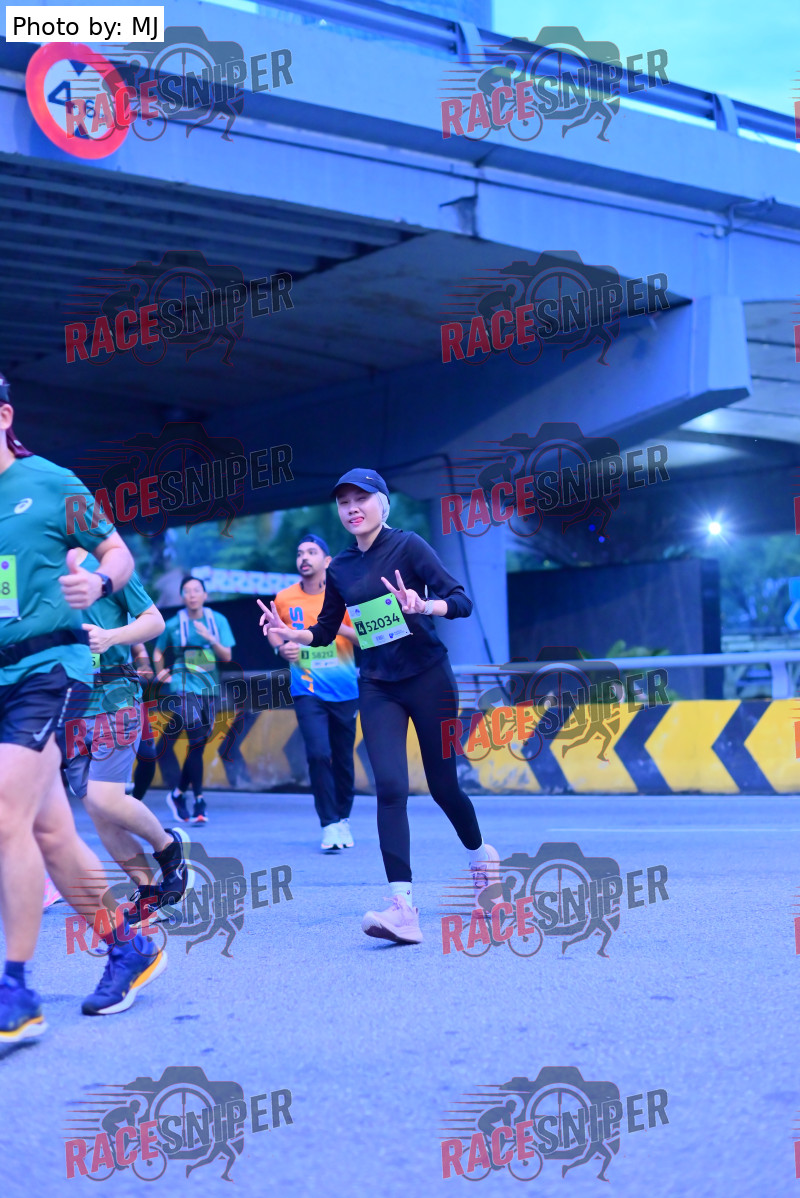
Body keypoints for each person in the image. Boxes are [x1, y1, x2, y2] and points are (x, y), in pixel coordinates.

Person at [259, 468, 499, 945]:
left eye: (361, 498)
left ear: (382, 503)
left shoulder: (409, 546)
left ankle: (481, 859)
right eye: (344, 501)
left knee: (444, 787)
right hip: (377, 685)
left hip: (428, 678)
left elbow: (461, 600)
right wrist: (293, 634)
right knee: (389, 787)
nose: (352, 508)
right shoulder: (341, 567)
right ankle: (403, 907)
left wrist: (424, 606)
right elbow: (326, 630)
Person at [0, 375, 166, 1042]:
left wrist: (97, 581)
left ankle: (17, 991)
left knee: (4, 817)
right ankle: (128, 945)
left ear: (4, 416)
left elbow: (117, 552)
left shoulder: (50, 483)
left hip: (50, 669)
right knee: (49, 832)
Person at [57, 548, 189, 925]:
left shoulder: (110, 564)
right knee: (98, 812)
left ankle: (169, 850)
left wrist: (110, 636)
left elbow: (154, 620)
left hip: (113, 696)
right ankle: (148, 891)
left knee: (106, 799)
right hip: (66, 705)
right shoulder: (31, 568)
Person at [269, 534, 359, 852]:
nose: (304, 558)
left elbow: (363, 638)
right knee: (319, 754)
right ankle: (329, 824)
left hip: (345, 689)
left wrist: (331, 626)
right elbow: (274, 630)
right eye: (299, 553)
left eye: (311, 552)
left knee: (343, 758)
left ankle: (343, 818)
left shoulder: (346, 594)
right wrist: (282, 647)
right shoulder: (285, 598)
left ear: (327, 561)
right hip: (307, 689)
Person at [134, 577, 235, 825]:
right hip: (182, 686)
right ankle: (199, 799)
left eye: (196, 590)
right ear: (182, 597)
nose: (192, 595)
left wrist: (210, 638)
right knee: (196, 738)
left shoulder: (217, 621)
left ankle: (178, 793)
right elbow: (158, 650)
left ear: (205, 595)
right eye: (187, 591)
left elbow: (226, 656)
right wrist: (160, 672)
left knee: (198, 744)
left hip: (209, 688)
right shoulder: (173, 624)